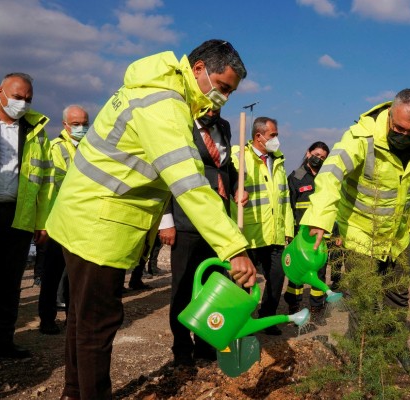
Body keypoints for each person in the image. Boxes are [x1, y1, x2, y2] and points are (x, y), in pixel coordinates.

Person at [45, 39, 258, 400]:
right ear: (199, 69)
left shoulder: (153, 90)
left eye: (230, 92)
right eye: (222, 87)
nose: (224, 98)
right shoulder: (163, 104)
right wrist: (234, 247)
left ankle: (72, 391)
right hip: (98, 222)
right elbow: (189, 183)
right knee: (98, 323)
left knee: (83, 319)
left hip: (81, 215)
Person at [301, 88, 410, 371]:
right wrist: (320, 218)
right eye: (398, 128)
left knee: (398, 295)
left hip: (397, 237)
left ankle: (397, 346)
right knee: (361, 296)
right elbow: (330, 174)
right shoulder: (361, 137)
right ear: (389, 114)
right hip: (360, 233)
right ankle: (358, 355)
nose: (403, 135)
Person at [0, 72, 54, 363]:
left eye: (28, 99)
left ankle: (3, 344)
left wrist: (41, 222)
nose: (23, 104)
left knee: (9, 286)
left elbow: (45, 181)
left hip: (16, 219)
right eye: (17, 97)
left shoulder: (36, 131)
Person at [158, 106, 247, 367]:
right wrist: (167, 222)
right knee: (184, 287)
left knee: (214, 286)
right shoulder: (180, 124)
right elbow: (165, 173)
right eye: (208, 104)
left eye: (218, 105)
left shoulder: (225, 127)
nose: (213, 110)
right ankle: (182, 348)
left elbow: (226, 166)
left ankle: (206, 342)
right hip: (186, 219)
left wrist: (235, 188)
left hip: (219, 222)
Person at [230, 116, 293, 336]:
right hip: (250, 232)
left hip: (274, 234)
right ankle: (242, 321)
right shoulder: (240, 157)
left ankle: (267, 318)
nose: (276, 139)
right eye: (273, 135)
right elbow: (232, 187)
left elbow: (284, 199)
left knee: (276, 278)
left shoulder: (278, 161)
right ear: (259, 137)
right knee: (245, 280)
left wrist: (288, 230)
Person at [37, 104, 89, 335]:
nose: (81, 128)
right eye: (76, 124)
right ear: (65, 125)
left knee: (76, 275)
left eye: (84, 123)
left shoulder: (90, 148)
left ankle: (73, 318)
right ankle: (47, 319)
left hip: (82, 220)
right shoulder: (56, 148)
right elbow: (52, 186)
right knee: (52, 274)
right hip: (59, 220)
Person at [284, 141, 330, 321]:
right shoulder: (295, 177)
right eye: (316, 154)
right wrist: (289, 233)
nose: (318, 159)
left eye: (322, 157)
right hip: (300, 234)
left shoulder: (325, 178)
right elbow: (288, 207)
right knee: (297, 271)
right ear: (308, 152)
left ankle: (317, 306)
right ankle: (293, 305)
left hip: (320, 235)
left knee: (319, 270)